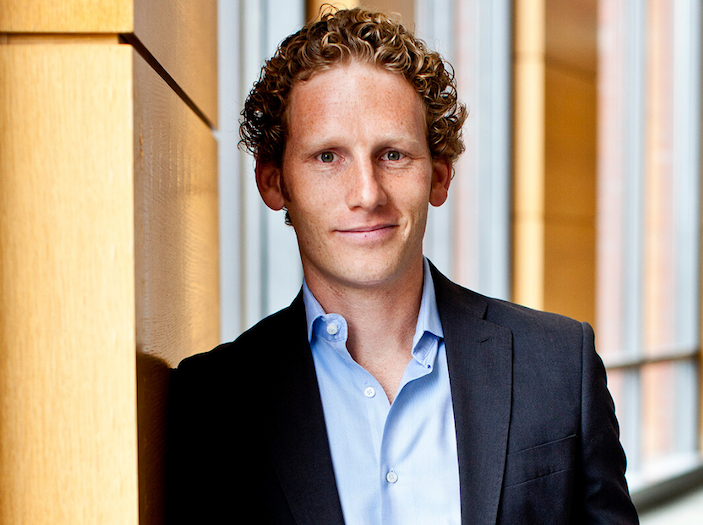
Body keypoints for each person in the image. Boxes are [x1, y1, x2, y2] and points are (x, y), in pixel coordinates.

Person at [166, 7, 638, 525]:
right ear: (274, 183)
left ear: (439, 176)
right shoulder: (212, 401)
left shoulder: (557, 364)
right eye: (328, 157)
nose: (367, 194)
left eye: (392, 155)